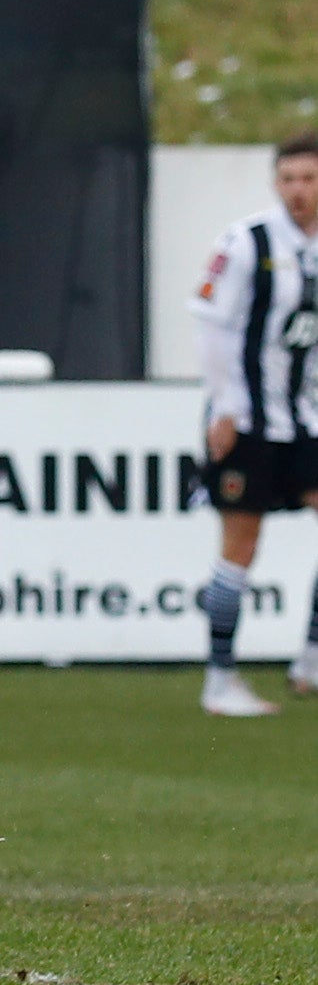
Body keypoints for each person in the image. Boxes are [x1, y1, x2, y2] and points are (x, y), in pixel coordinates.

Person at [188, 133, 318, 717]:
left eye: (309, 179)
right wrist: (225, 406)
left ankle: (309, 659)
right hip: (248, 419)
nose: (299, 191)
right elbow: (210, 326)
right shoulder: (246, 242)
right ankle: (220, 678)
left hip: (309, 415)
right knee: (242, 542)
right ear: (276, 183)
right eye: (289, 179)